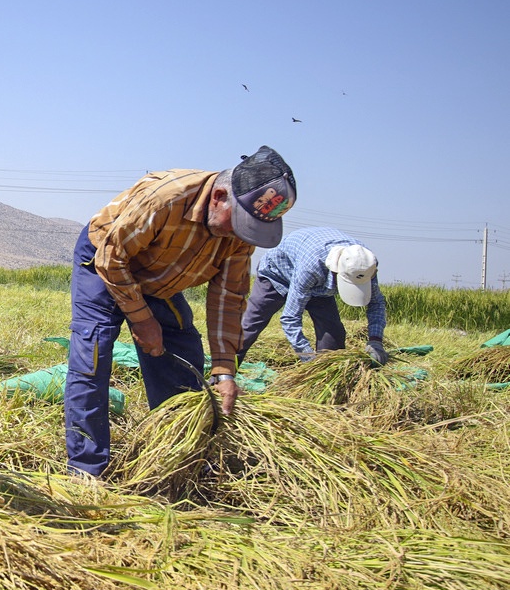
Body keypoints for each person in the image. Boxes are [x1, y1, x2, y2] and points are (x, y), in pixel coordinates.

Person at [64, 146, 297, 479]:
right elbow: (112, 258)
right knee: (93, 354)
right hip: (105, 260)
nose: (239, 236)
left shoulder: (239, 232)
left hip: (163, 277)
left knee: (183, 357)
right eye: (239, 224)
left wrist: (225, 370)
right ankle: (88, 470)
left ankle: (177, 457)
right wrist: (142, 319)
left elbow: (228, 297)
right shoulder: (167, 198)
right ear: (219, 196)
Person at [237, 226, 388, 366]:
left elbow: (376, 303)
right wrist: (308, 359)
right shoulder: (312, 267)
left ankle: (330, 380)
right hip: (277, 273)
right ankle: (223, 375)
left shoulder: (365, 264)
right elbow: (290, 319)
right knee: (250, 326)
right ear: (336, 273)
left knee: (333, 335)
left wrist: (375, 341)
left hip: (318, 283)